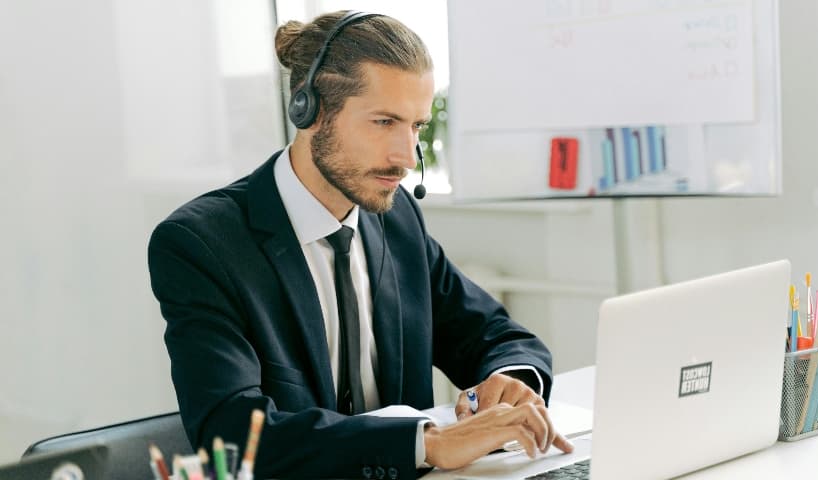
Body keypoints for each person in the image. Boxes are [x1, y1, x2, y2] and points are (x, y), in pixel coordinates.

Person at [147, 10, 573, 479]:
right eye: (384, 121)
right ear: (309, 111)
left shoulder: (396, 220)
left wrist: (510, 383)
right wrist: (427, 443)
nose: (407, 156)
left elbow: (496, 335)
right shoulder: (202, 245)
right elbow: (232, 436)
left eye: (416, 126)